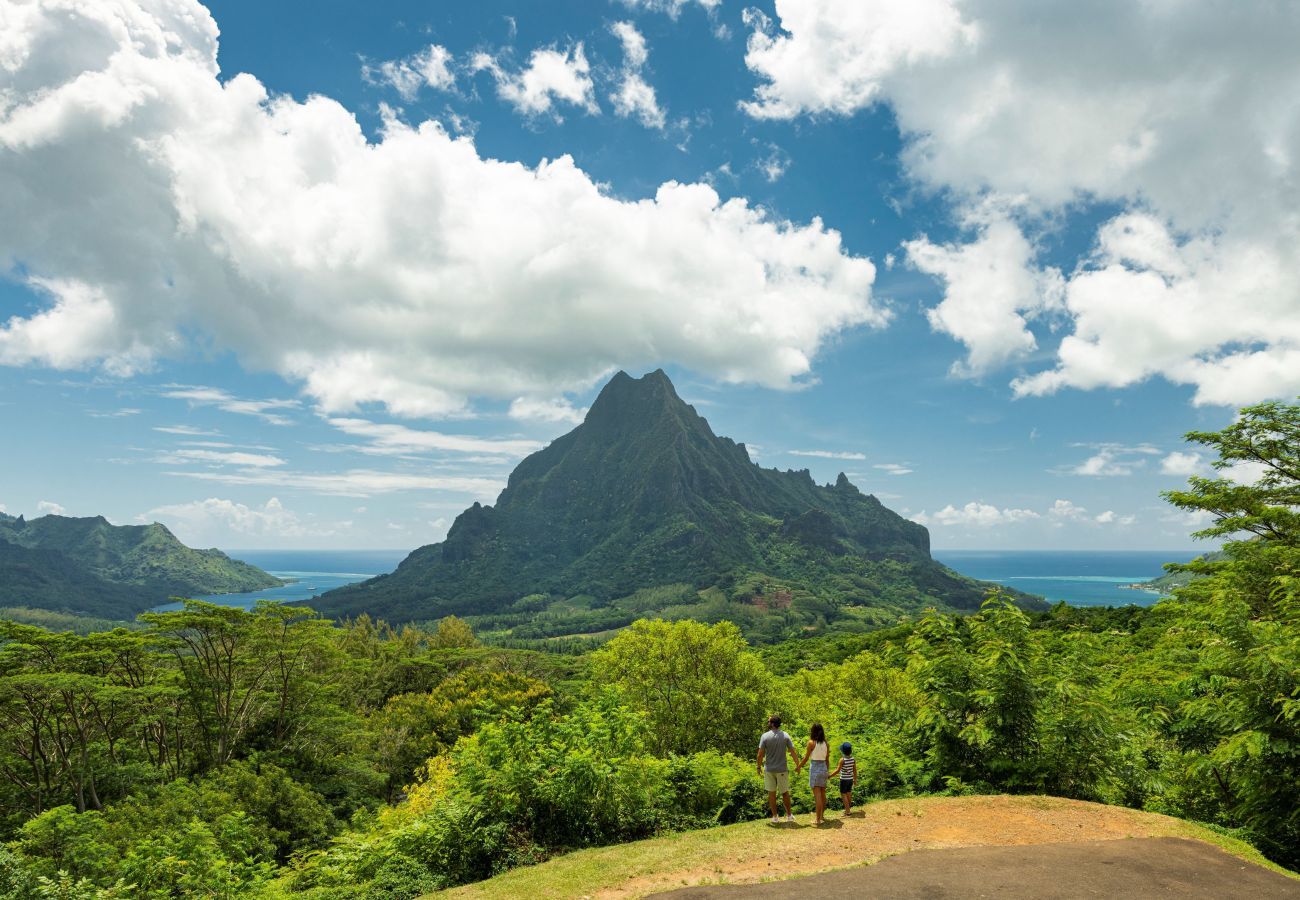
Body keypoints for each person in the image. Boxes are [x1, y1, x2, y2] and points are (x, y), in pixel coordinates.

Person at [757, 714, 798, 824]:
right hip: (782, 769)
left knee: (772, 793)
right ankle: (789, 815)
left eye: (769, 721)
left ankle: (775, 817)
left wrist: (758, 766)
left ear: (772, 723)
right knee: (785, 792)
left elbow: (760, 754)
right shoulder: (785, 735)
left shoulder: (764, 736)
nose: (767, 723)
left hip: (769, 769)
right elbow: (792, 751)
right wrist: (797, 764)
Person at [799, 723, 831, 825]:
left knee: (817, 794)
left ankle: (817, 819)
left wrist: (799, 766)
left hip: (815, 768)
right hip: (824, 768)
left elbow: (806, 758)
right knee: (822, 793)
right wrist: (827, 771)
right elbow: (827, 759)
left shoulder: (811, 743)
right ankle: (821, 816)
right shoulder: (826, 743)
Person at [829, 741, 857, 816]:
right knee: (849, 793)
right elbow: (854, 770)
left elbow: (837, 770)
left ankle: (847, 811)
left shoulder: (842, 760)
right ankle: (848, 809)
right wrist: (855, 779)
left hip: (844, 780)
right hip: (850, 779)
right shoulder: (853, 759)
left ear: (843, 751)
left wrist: (829, 776)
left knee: (843, 794)